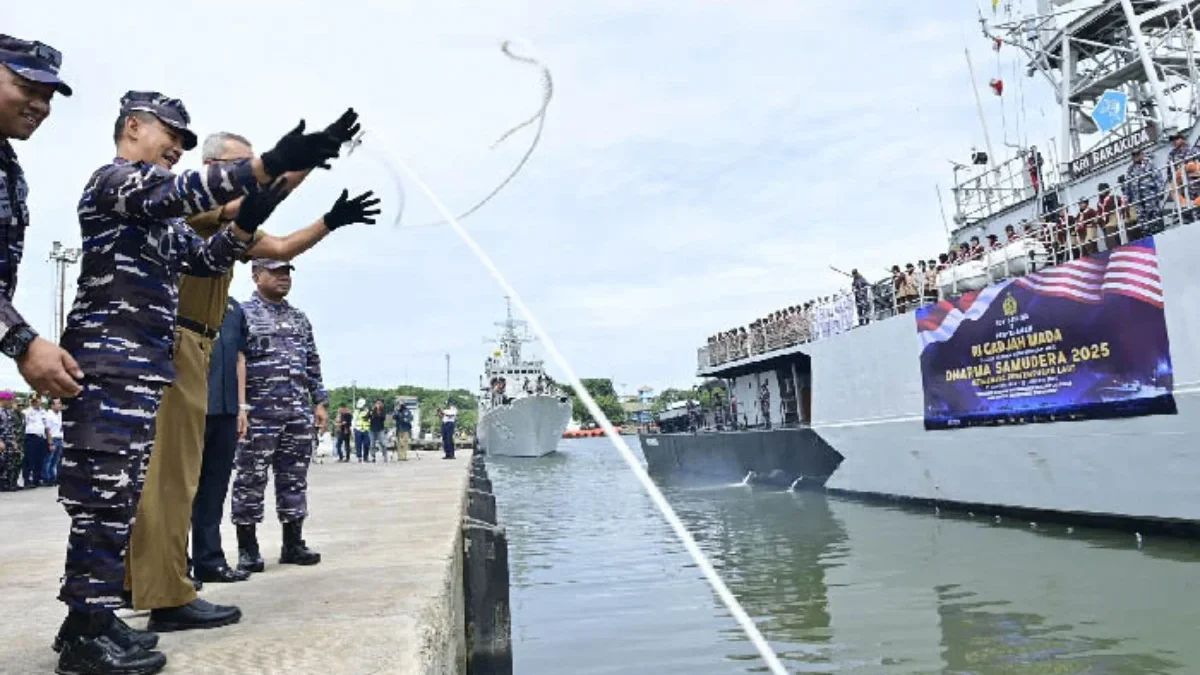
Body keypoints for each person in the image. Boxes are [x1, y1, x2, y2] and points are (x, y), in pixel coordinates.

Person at [53, 90, 339, 673]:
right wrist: (275, 163)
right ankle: (90, 625)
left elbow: (208, 257)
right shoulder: (118, 181)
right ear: (132, 127)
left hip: (146, 359)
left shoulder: (158, 213)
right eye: (172, 137)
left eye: (186, 142)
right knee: (106, 498)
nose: (178, 150)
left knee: (121, 495)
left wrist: (251, 219)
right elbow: (192, 193)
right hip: (113, 359)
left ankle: (91, 617)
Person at [126, 122, 371, 628]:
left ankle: (161, 583)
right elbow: (252, 198)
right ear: (217, 169)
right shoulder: (190, 203)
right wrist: (296, 163)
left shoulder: (220, 220)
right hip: (173, 341)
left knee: (180, 480)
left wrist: (329, 219)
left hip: (198, 345)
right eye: (243, 164)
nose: (251, 172)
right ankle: (165, 594)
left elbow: (278, 247)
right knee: (169, 481)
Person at [0, 35, 84, 401]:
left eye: (47, 96)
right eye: (26, 88)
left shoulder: (8, 164)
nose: (40, 105)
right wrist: (23, 343)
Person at [232, 259, 330, 572]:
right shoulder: (242, 314)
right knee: (250, 479)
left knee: (294, 479)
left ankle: (293, 543)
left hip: (296, 412)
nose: (283, 277)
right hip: (258, 413)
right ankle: (248, 548)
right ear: (256, 275)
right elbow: (236, 361)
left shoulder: (299, 318)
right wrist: (241, 407)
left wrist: (319, 403)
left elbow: (312, 362)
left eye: (286, 272)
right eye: (275, 272)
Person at [21, 392, 49, 487]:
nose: (35, 403)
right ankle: (27, 480)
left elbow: (46, 427)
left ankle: (36, 479)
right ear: (30, 402)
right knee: (28, 459)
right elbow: (22, 426)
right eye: (33, 401)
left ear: (40, 401)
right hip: (30, 437)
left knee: (39, 460)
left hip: (41, 438)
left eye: (37, 401)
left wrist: (49, 440)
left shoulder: (44, 412)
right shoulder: (26, 412)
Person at [0, 390, 19, 491]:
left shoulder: (8, 412)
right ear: (3, 400)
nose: (11, 402)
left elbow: (11, 429)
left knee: (9, 463)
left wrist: (14, 442)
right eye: (10, 400)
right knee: (1, 463)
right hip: (2, 441)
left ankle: (6, 484)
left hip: (9, 441)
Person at [43, 397, 62, 484]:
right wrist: (50, 443)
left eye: (60, 403)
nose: (60, 405)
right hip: (53, 439)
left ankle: (54, 477)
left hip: (60, 439)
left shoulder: (60, 414)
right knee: (48, 460)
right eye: (58, 403)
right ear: (52, 405)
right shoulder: (48, 415)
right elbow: (47, 430)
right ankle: (47, 478)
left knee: (56, 461)